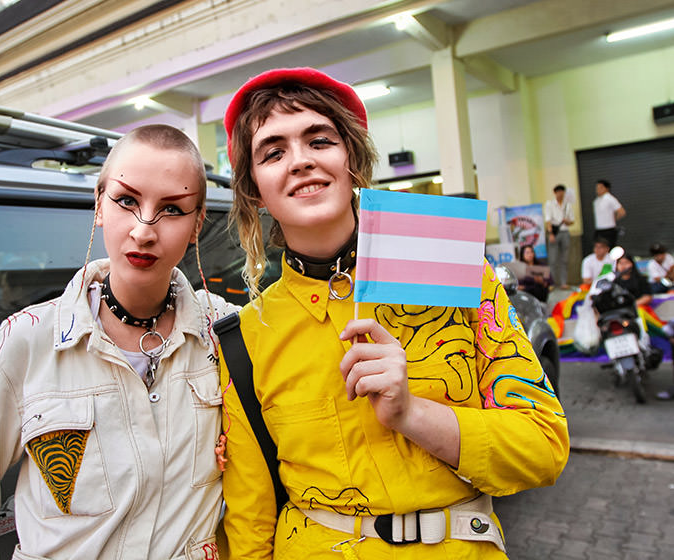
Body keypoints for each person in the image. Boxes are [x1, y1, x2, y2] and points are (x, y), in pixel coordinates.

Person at [219, 67, 568, 559]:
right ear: (254, 190)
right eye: (273, 152)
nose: (300, 162)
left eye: (319, 140)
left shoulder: (452, 267)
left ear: (353, 162)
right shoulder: (246, 336)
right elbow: (250, 523)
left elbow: (544, 448)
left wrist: (412, 413)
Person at [0, 125, 237, 559]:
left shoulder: (223, 332)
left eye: (172, 209)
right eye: (127, 201)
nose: (144, 230)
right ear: (99, 205)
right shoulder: (29, 341)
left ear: (197, 225)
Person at [544, 184, 574, 289]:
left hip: (565, 232)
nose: (560, 194)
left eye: (562, 192)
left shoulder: (568, 205)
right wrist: (551, 234)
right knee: (553, 260)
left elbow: (572, 221)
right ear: (555, 193)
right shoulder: (550, 204)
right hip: (554, 233)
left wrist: (567, 221)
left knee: (564, 259)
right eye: (558, 192)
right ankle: (552, 283)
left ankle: (563, 283)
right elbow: (548, 220)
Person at [592, 179, 625, 248]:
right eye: (597, 188)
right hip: (599, 230)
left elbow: (621, 212)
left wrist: (612, 220)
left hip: (609, 230)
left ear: (606, 188)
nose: (598, 190)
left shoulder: (610, 198)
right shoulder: (596, 201)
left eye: (601, 187)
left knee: (609, 249)